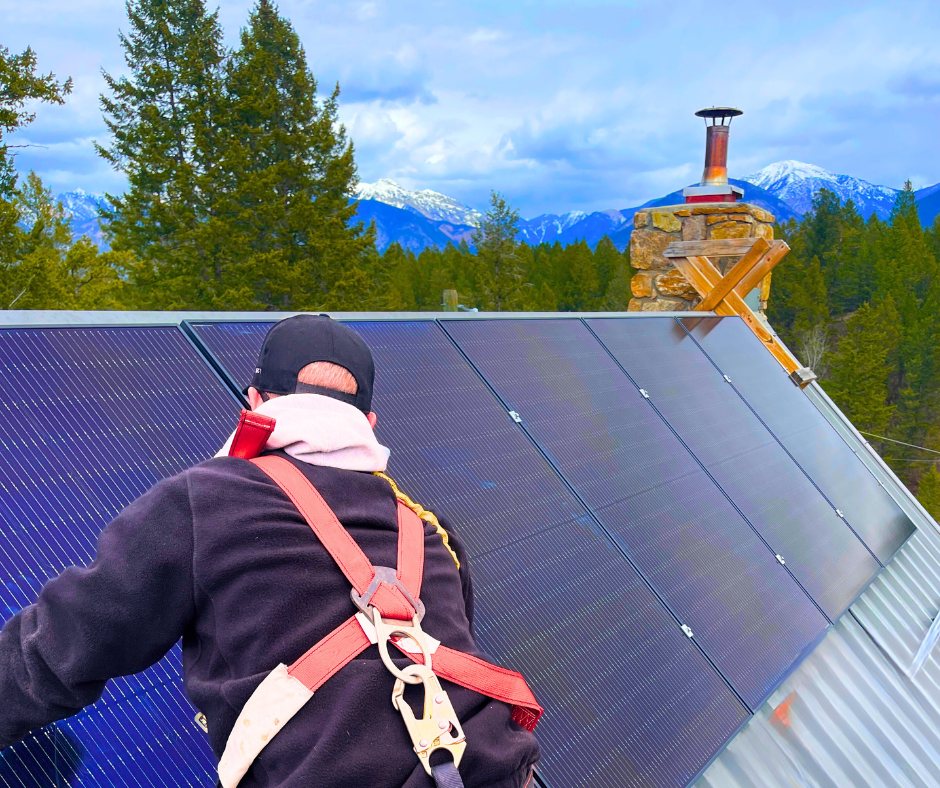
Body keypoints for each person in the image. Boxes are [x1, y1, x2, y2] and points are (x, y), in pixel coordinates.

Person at [0, 314, 540, 788]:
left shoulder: (204, 499)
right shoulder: (428, 529)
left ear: (255, 403)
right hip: (497, 768)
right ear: (368, 424)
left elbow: (58, 649)